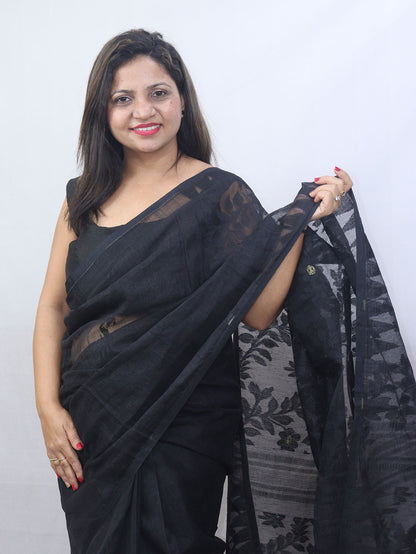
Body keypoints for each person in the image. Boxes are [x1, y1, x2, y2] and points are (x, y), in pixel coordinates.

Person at [33, 28, 414, 554]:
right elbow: (54, 306)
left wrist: (302, 220)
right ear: (102, 111)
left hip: (183, 420)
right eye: (123, 98)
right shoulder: (81, 198)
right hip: (90, 420)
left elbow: (258, 311)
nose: (143, 110)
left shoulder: (217, 193)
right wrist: (47, 407)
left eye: (158, 92)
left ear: (182, 101)